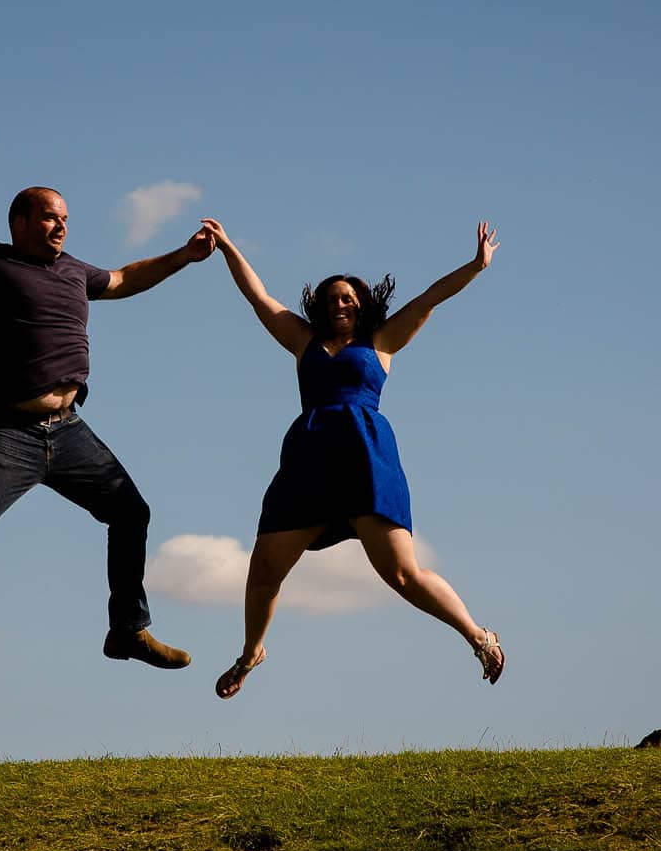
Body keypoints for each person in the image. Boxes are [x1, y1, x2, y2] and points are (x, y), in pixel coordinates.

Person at [0, 94, 215, 677]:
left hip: (69, 430)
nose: (61, 225)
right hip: (8, 432)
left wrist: (185, 254)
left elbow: (126, 278)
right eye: (51, 216)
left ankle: (128, 630)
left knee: (132, 512)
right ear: (20, 221)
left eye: (66, 219)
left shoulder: (76, 271)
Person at [196, 217, 505, 699]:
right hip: (310, 458)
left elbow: (429, 298)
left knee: (402, 573)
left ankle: (478, 636)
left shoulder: (380, 342)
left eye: (346, 297)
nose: (337, 303)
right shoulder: (302, 341)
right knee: (263, 569)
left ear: (361, 304)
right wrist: (230, 247)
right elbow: (260, 298)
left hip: (366, 457)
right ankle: (251, 652)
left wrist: (476, 266)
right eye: (329, 298)